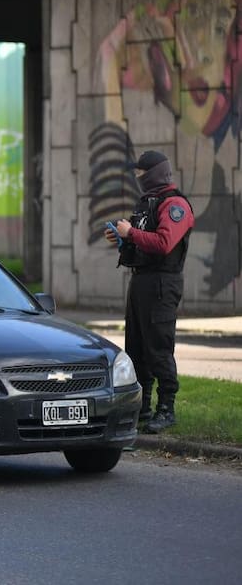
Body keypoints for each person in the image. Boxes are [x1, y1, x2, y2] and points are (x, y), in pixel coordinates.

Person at [104, 150, 194, 434]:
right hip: (141, 281)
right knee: (137, 348)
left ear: (155, 173)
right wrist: (122, 240)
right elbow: (142, 244)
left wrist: (131, 233)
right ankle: (141, 407)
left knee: (158, 348)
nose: (138, 177)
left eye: (142, 173)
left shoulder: (175, 204)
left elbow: (165, 242)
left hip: (161, 284)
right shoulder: (147, 203)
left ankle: (166, 409)